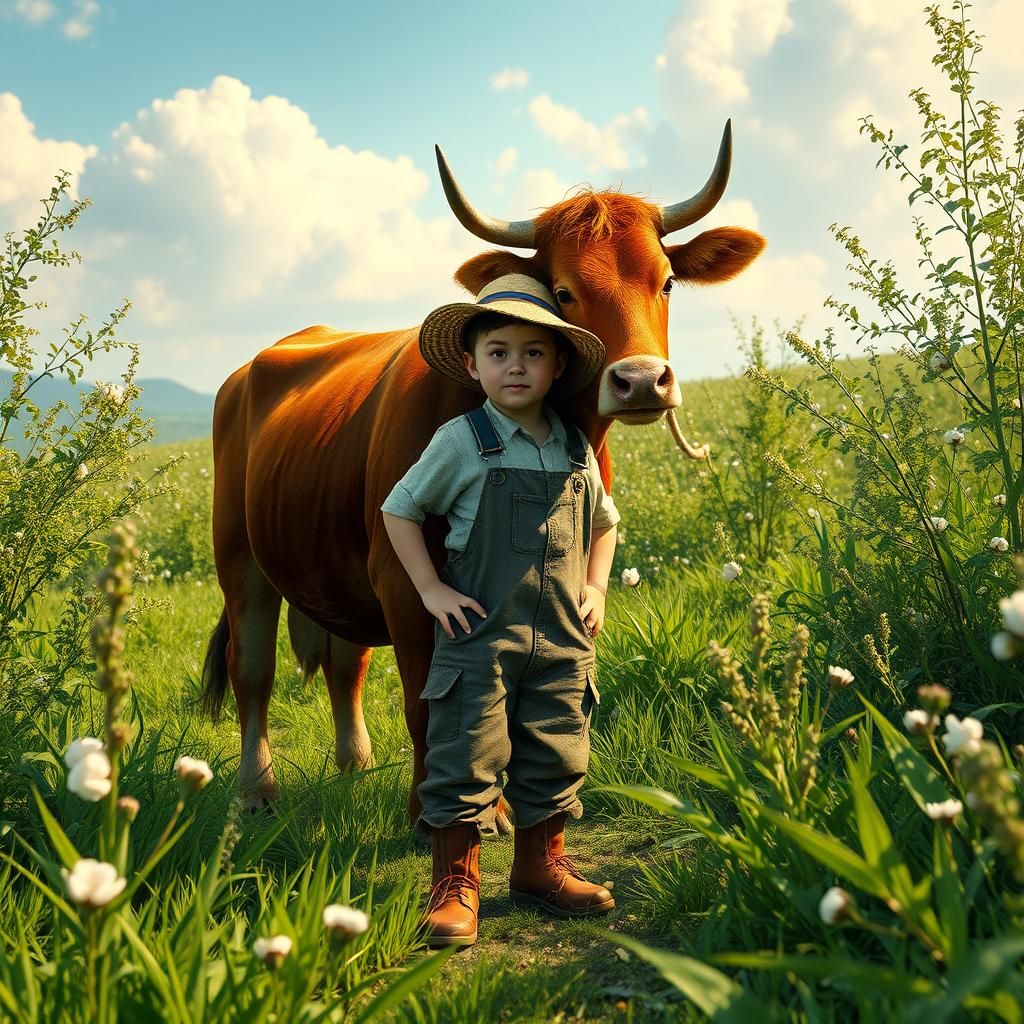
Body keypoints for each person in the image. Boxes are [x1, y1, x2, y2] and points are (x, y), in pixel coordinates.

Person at [380, 273, 620, 947]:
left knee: (556, 751)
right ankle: (454, 886)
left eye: (533, 353)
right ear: (471, 364)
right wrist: (431, 589)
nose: (515, 365)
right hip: (479, 638)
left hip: (563, 642)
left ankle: (542, 868)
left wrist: (596, 588)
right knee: (464, 755)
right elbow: (400, 510)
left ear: (558, 364)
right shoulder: (462, 439)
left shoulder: (575, 445)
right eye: (498, 352)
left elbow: (604, 523)